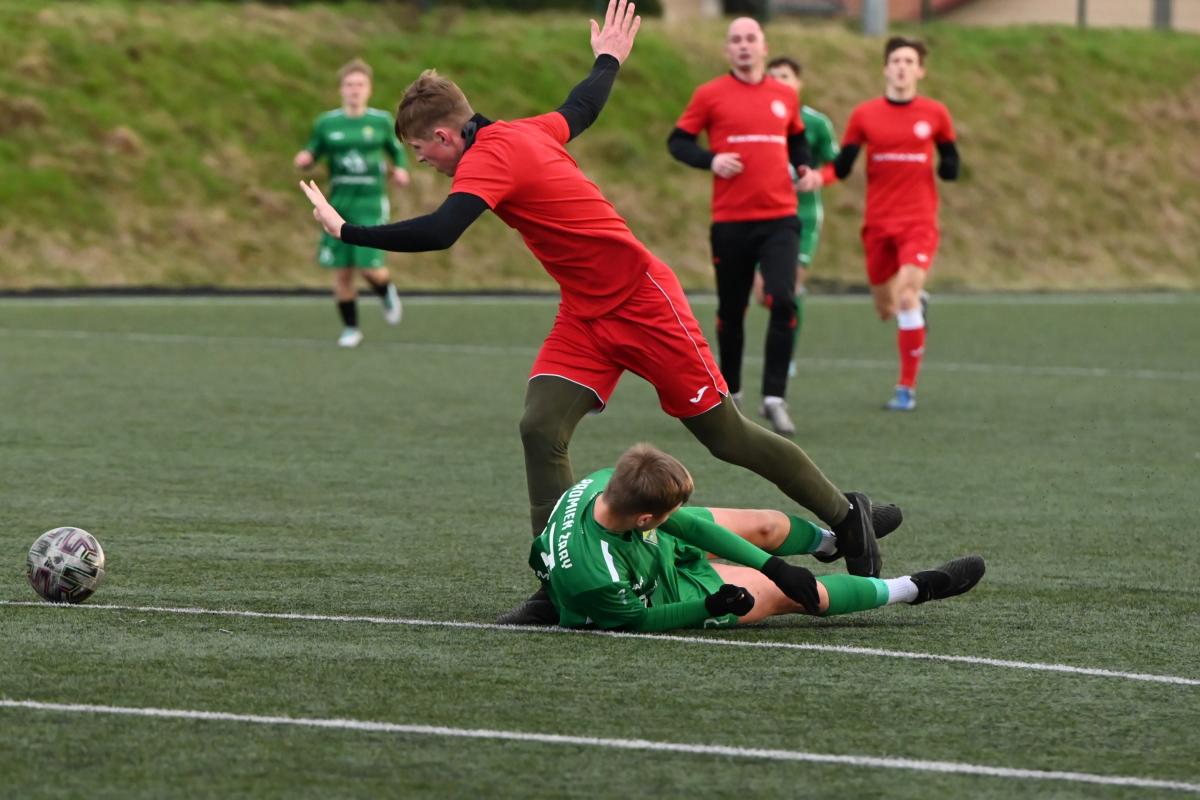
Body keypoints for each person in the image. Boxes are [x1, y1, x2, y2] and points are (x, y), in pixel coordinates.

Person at [299, 0, 884, 626]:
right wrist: (608, 59)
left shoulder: (491, 155)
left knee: (726, 436)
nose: (424, 162)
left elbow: (442, 231)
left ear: (445, 136)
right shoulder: (523, 132)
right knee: (540, 428)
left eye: (422, 151)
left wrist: (348, 230)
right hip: (585, 314)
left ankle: (847, 516)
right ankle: (557, 586)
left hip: (644, 303)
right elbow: (581, 107)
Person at [529, 444, 984, 632]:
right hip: (656, 591)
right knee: (794, 595)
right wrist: (712, 606)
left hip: (645, 543)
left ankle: (834, 541)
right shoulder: (596, 577)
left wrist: (774, 563)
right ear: (647, 516)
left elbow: (685, 525)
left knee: (767, 525)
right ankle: (914, 588)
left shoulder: (608, 484)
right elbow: (638, 622)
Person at [667, 18, 812, 436]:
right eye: (736, 40)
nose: (744, 45)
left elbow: (797, 138)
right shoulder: (710, 95)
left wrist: (803, 165)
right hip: (731, 222)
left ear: (764, 47)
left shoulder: (785, 95)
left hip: (780, 218)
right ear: (727, 50)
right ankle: (731, 394)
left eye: (751, 39)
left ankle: (775, 398)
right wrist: (711, 159)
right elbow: (678, 142)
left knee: (783, 300)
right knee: (732, 312)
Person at [828, 36, 960, 411]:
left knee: (905, 297)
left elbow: (950, 157)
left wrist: (949, 167)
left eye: (909, 61)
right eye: (896, 61)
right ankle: (918, 305)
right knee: (887, 308)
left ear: (920, 71)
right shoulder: (864, 115)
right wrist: (822, 172)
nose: (902, 67)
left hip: (918, 221)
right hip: (877, 224)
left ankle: (906, 388)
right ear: (886, 68)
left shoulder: (935, 114)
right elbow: (842, 165)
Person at [294, 58, 410, 348]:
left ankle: (384, 290)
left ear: (369, 89)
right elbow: (313, 150)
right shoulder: (327, 123)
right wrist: (306, 159)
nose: (354, 89)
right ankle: (350, 328)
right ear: (341, 89)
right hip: (338, 204)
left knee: (369, 268)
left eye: (360, 84)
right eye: (349, 84)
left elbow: (396, 152)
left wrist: (400, 169)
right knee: (343, 271)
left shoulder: (381, 121)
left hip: (370, 204)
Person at [749, 56, 841, 381]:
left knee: (786, 287)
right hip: (763, 213)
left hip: (803, 216)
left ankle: (784, 356)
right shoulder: (755, 118)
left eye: (785, 76)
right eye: (772, 76)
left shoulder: (815, 123)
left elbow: (836, 164)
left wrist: (818, 177)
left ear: (798, 83)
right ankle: (793, 302)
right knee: (764, 295)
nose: (778, 82)